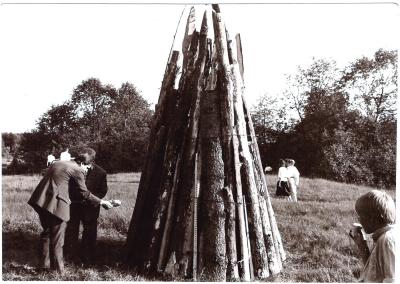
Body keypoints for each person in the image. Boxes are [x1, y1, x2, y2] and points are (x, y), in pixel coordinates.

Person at [27, 154, 113, 275]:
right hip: (56, 205)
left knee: (47, 233)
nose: (86, 171)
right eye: (87, 168)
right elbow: (85, 193)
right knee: (58, 238)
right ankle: (58, 271)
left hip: (40, 201)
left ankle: (43, 267)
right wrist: (102, 202)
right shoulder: (77, 170)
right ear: (82, 164)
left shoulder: (58, 163)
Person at [65, 147, 108, 265]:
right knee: (71, 231)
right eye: (80, 158)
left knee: (90, 232)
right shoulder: (73, 169)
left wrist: (92, 200)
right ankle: (70, 257)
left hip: (91, 208)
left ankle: (87, 258)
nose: (81, 161)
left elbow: (103, 191)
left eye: (84, 158)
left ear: (92, 158)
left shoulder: (101, 172)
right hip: (73, 205)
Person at [349, 190, 395, 282]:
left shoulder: (387, 240)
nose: (359, 220)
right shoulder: (382, 238)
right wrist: (362, 246)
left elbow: (392, 280)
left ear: (373, 218)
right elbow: (374, 273)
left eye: (360, 216)